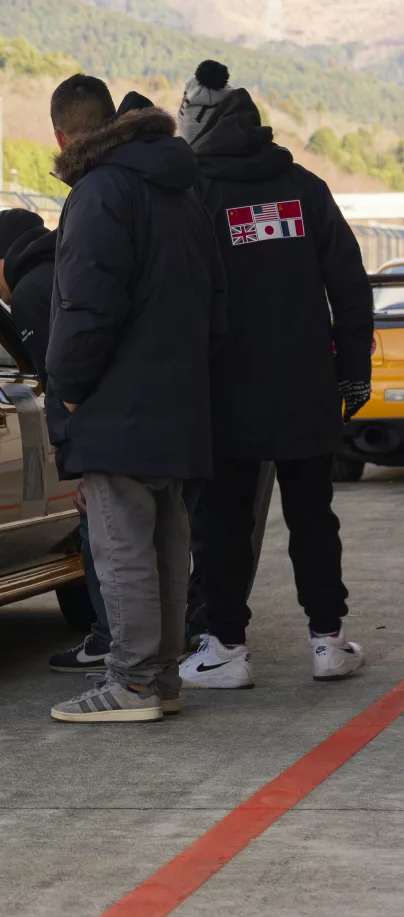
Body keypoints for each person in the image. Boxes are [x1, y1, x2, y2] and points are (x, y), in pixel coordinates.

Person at [174, 61, 373, 688]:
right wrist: (354, 371)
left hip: (226, 390)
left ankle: (226, 647)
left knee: (223, 522)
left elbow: (181, 296)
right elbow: (349, 283)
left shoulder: (196, 196)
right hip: (307, 384)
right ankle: (328, 642)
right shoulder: (306, 188)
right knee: (314, 515)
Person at [43, 74, 225, 723]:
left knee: (122, 543)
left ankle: (133, 683)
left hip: (120, 401)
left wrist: (66, 388)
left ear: (64, 136)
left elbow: (85, 307)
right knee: (168, 541)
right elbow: (217, 299)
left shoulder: (99, 194)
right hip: (179, 395)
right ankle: (163, 678)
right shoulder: (179, 191)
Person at [0, 211, 114, 672]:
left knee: (100, 534)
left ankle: (108, 639)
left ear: (4, 256)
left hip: (101, 436)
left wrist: (79, 458)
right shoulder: (64, 270)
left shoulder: (33, 292)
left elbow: (60, 380)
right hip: (132, 424)